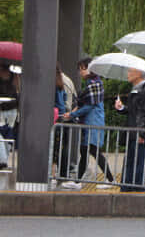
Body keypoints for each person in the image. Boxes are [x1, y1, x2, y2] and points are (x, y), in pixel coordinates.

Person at [62, 57, 114, 190]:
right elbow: (84, 103)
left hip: (94, 123)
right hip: (90, 122)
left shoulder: (95, 84)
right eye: (80, 69)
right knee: (85, 151)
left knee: (94, 151)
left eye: (83, 69)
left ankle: (110, 179)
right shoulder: (92, 83)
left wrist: (73, 114)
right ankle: (78, 181)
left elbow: (89, 106)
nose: (81, 72)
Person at [115, 67, 145, 192]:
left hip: (138, 133)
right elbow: (133, 112)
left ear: (139, 73)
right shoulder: (136, 90)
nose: (127, 74)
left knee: (137, 162)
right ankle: (127, 187)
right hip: (133, 132)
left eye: (130, 71)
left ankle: (135, 189)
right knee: (131, 161)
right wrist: (121, 108)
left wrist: (142, 133)